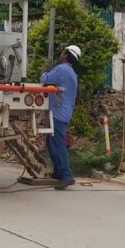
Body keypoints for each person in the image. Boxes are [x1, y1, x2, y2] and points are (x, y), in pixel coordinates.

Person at [41, 44, 80, 190]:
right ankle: (58, 172)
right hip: (63, 112)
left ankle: (66, 175)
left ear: (66, 55)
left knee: (57, 144)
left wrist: (45, 72)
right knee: (53, 143)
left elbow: (44, 79)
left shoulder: (62, 69)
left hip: (58, 113)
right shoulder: (70, 72)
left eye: (63, 52)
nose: (60, 54)